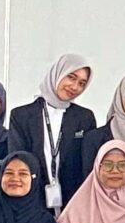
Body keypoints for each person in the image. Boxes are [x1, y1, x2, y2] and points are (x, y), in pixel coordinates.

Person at [8, 53, 99, 209]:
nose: (75, 87)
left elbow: (88, 165)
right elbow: (18, 159)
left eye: (82, 83)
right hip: (32, 202)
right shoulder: (21, 116)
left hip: (73, 203)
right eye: (71, 77)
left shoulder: (85, 117)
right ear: (57, 74)